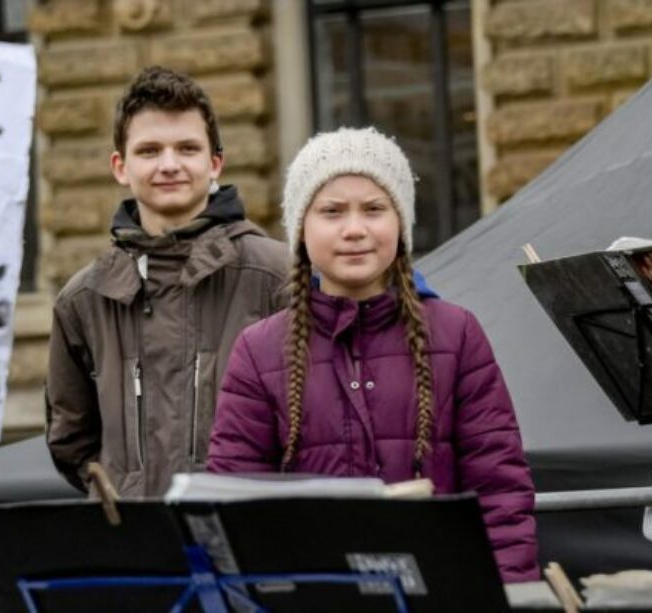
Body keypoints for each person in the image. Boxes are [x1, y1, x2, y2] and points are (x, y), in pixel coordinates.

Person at [208, 127, 539, 583]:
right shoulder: (259, 351)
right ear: (301, 230)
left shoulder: (456, 333)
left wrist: (511, 596)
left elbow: (500, 489)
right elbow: (233, 500)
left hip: (442, 592)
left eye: (374, 209)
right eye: (331, 211)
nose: (355, 229)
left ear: (400, 222)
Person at [45, 66, 288, 497]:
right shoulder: (83, 300)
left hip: (253, 541)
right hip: (139, 549)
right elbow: (71, 440)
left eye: (187, 148)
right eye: (150, 150)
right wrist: (123, 497)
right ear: (121, 166)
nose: (169, 165)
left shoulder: (278, 277)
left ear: (215, 163)